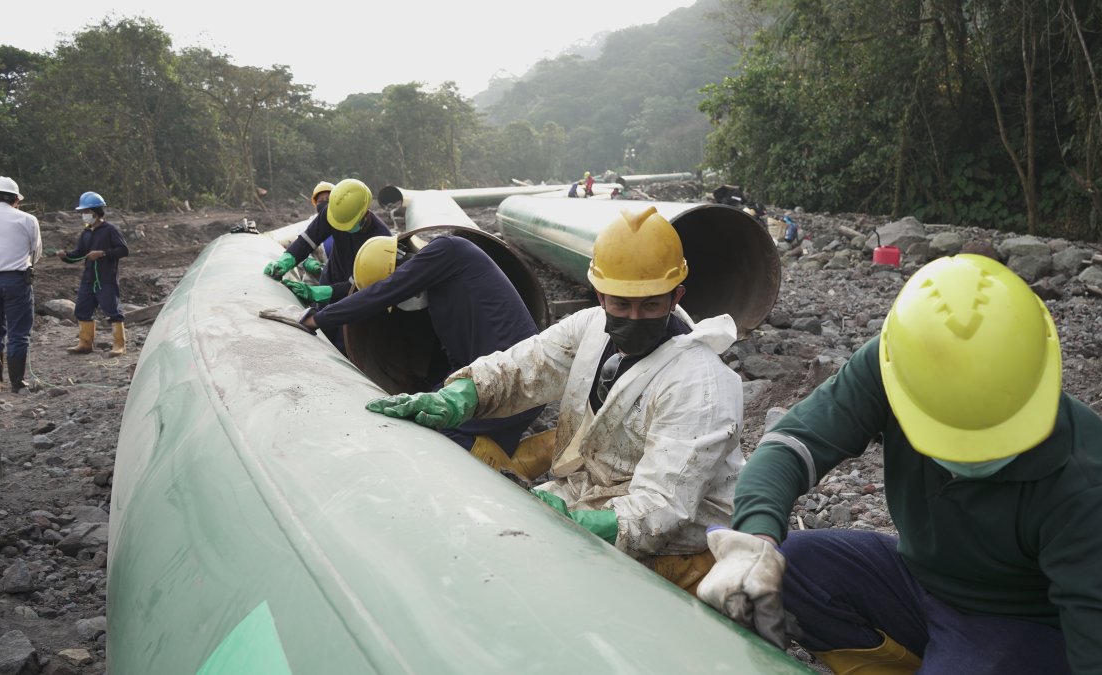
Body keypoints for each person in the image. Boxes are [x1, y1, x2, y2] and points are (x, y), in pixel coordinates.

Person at [697, 254, 1102, 674]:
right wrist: (753, 540)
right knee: (792, 568)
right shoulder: (901, 365)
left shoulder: (1092, 483)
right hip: (920, 582)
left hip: (1020, 624)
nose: (967, 459)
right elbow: (793, 442)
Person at [368, 206, 744, 595]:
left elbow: (663, 508)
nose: (634, 318)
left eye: (650, 305)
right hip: (593, 490)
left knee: (546, 578)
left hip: (678, 540)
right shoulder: (591, 328)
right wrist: (459, 395)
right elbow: (522, 368)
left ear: (675, 295)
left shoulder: (700, 385)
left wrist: (576, 523)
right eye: (621, 304)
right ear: (600, 295)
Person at [268, 233, 550, 480]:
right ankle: (517, 463)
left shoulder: (448, 250)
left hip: (517, 376)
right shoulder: (443, 299)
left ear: (401, 271)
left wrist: (317, 319)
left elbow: (382, 292)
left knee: (440, 439)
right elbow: (456, 362)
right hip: (502, 380)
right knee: (442, 420)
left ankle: (513, 471)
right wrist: (433, 394)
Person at [263, 178, 390, 351]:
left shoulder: (381, 240)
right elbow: (308, 240)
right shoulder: (333, 213)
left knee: (343, 346)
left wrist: (318, 292)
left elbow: (362, 285)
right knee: (322, 337)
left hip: (354, 299)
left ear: (364, 213)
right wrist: (287, 260)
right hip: (330, 278)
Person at [59, 191, 128, 358]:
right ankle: (85, 344)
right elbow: (79, 253)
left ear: (96, 212)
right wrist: (65, 256)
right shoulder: (86, 232)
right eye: (83, 212)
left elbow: (123, 250)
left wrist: (102, 253)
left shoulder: (110, 230)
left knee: (112, 310)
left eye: (86, 211)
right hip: (89, 278)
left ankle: (119, 345)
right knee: (82, 309)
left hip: (106, 278)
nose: (84, 215)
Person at [0, 176, 42, 392]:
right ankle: (17, 383)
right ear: (16, 199)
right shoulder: (27, 219)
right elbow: (36, 252)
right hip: (16, 281)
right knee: (18, 333)